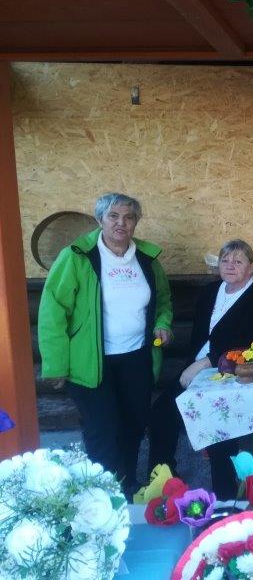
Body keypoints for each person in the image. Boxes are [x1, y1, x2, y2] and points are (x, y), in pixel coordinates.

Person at [38, 193, 173, 495]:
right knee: (103, 430)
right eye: (113, 216)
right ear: (100, 220)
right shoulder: (77, 257)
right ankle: (105, 494)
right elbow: (53, 311)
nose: (121, 223)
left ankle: (127, 485)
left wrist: (163, 324)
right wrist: (56, 364)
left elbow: (163, 300)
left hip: (137, 358)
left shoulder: (147, 259)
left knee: (134, 425)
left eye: (128, 217)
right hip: (90, 362)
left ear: (136, 222)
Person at [148, 239, 253, 499]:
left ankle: (225, 495)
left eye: (238, 261)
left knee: (219, 425)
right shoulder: (210, 292)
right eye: (224, 260)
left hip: (235, 372)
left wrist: (207, 362)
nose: (230, 266)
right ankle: (163, 478)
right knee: (161, 412)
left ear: (251, 267)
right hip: (198, 369)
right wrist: (193, 366)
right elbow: (200, 337)